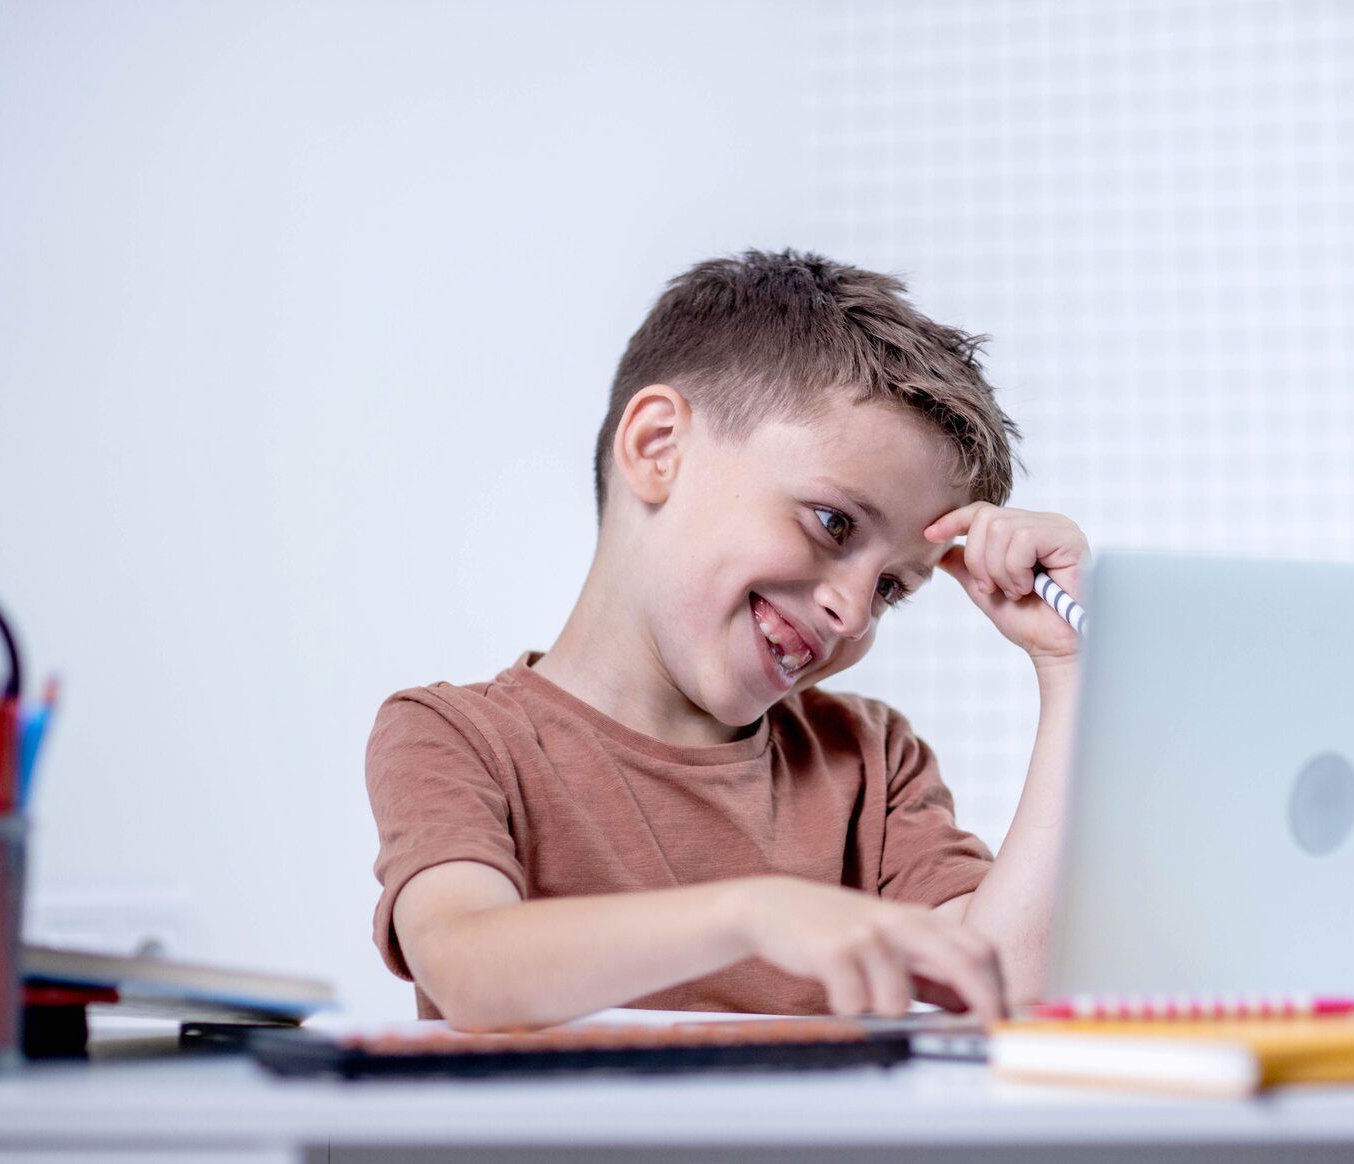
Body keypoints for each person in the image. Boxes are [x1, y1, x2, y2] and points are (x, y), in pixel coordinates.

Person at [366, 249, 1090, 1029]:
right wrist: (752, 915)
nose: (853, 611)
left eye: (891, 588)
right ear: (657, 449)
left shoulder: (869, 764)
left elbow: (1008, 983)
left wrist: (1071, 670)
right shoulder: (456, 737)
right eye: (832, 523)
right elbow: (471, 970)